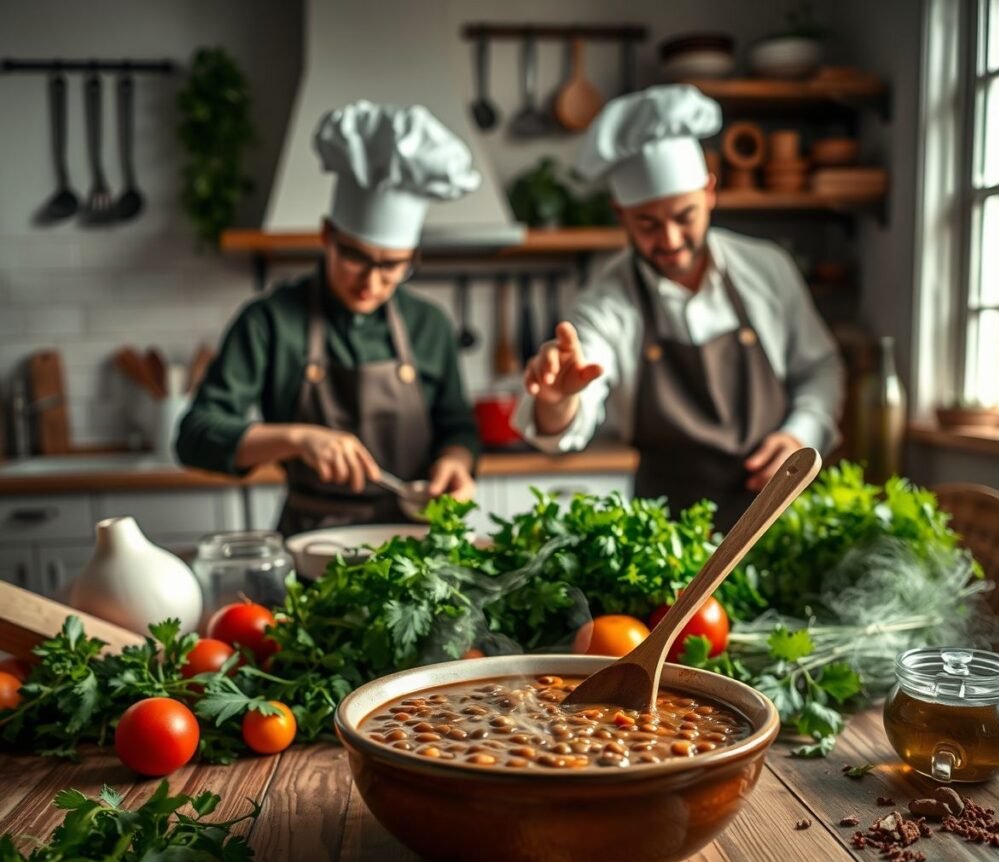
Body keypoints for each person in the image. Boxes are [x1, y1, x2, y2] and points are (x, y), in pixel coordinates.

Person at [514, 85, 843, 529]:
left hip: (779, 516)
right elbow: (573, 408)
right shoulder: (607, 301)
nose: (669, 240)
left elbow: (819, 368)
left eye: (684, 216)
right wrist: (558, 401)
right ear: (620, 213)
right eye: (647, 223)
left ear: (709, 192)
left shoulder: (767, 268)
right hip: (670, 536)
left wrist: (800, 434)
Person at [176, 101, 481, 535]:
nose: (371, 281)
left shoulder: (428, 324)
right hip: (312, 540)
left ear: (412, 257)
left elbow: (459, 427)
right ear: (327, 236)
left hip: (418, 541)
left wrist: (456, 462)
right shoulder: (269, 322)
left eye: (392, 265)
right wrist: (297, 438)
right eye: (356, 256)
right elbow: (195, 435)